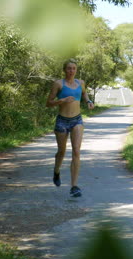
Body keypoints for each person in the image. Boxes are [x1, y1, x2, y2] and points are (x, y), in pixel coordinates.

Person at [46, 59, 94, 197]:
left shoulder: (81, 83)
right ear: (64, 70)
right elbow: (48, 103)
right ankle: (56, 171)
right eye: (69, 68)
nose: (71, 71)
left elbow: (84, 93)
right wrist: (61, 101)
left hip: (77, 120)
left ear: (76, 70)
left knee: (76, 151)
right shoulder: (58, 84)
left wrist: (89, 101)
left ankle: (74, 186)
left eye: (74, 68)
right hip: (62, 121)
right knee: (61, 152)